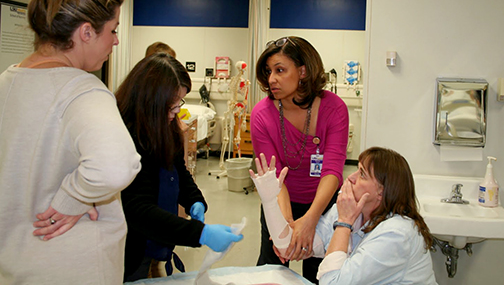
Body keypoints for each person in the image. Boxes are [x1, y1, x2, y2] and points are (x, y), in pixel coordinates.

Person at [0, 0, 141, 284]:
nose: (116, 41)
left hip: (13, 263)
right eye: (113, 30)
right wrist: (74, 197)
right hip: (72, 265)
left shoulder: (6, 82)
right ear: (86, 32)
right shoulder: (83, 90)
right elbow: (116, 166)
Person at [116, 53, 243, 282]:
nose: (176, 112)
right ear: (150, 100)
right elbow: (138, 208)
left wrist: (194, 199)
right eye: (171, 105)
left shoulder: (165, 125)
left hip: (158, 236)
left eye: (179, 104)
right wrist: (200, 234)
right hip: (130, 245)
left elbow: (178, 170)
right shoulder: (126, 137)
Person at [250, 148, 438, 285]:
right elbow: (289, 248)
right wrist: (270, 201)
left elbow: (331, 283)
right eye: (356, 169)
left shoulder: (397, 233)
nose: (351, 178)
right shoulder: (356, 211)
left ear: (382, 192)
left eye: (362, 174)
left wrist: (344, 223)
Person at [251, 36, 349, 282]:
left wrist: (310, 220)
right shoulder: (261, 115)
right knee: (270, 272)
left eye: (280, 70)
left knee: (321, 275)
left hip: (324, 206)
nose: (271, 78)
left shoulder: (334, 109)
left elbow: (332, 171)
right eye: (268, 71)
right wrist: (282, 223)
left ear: (303, 71)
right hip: (279, 201)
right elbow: (275, 176)